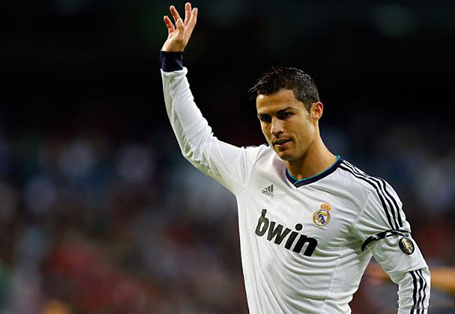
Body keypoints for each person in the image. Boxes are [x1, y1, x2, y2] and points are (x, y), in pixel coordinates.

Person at [160, 3, 430, 313]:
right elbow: (197, 145)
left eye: (285, 115)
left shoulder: (364, 195)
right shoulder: (253, 169)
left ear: (316, 111)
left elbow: (413, 276)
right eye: (265, 119)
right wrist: (172, 65)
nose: (275, 128)